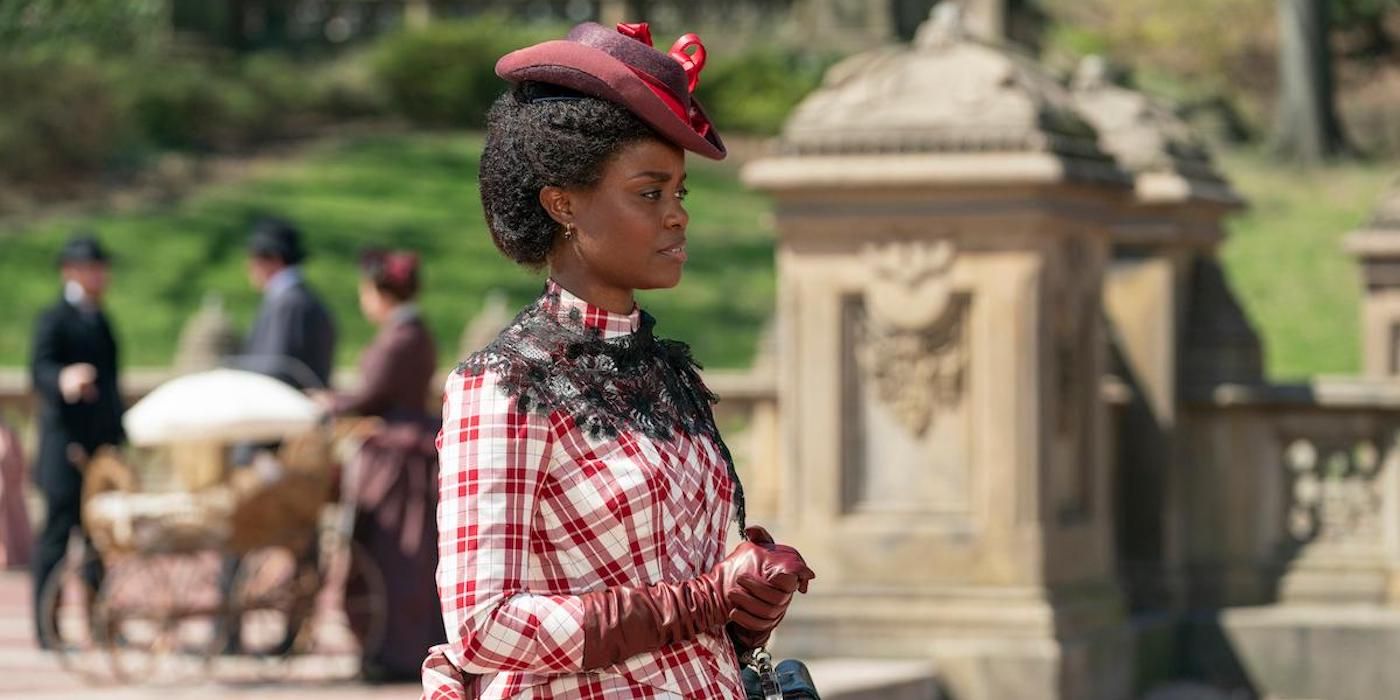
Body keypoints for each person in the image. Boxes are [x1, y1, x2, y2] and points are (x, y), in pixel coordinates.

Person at [420, 22, 815, 699]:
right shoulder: (506, 386)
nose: (677, 216)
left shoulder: (670, 374)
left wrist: (749, 601)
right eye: (649, 192)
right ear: (564, 203)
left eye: (680, 193)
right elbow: (483, 624)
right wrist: (699, 601)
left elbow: (692, 596)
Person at [311, 250, 445, 681]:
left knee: (398, 555)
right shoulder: (406, 331)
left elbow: (371, 394)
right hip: (396, 451)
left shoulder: (403, 336)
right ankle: (390, 647)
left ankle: (402, 653)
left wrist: (331, 403)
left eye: (366, 291)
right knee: (391, 553)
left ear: (380, 292)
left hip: (399, 460)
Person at [29, 233, 123, 648]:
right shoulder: (54, 318)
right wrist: (63, 379)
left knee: (96, 540)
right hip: (63, 446)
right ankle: (46, 626)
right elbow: (40, 368)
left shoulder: (101, 318)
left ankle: (99, 621)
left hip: (98, 447)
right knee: (56, 536)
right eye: (91, 267)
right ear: (71, 271)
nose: (99, 275)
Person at [243, 217, 336, 392]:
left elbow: (279, 368)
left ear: (274, 259)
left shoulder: (291, 304)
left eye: (254, 259)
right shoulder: (295, 299)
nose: (249, 267)